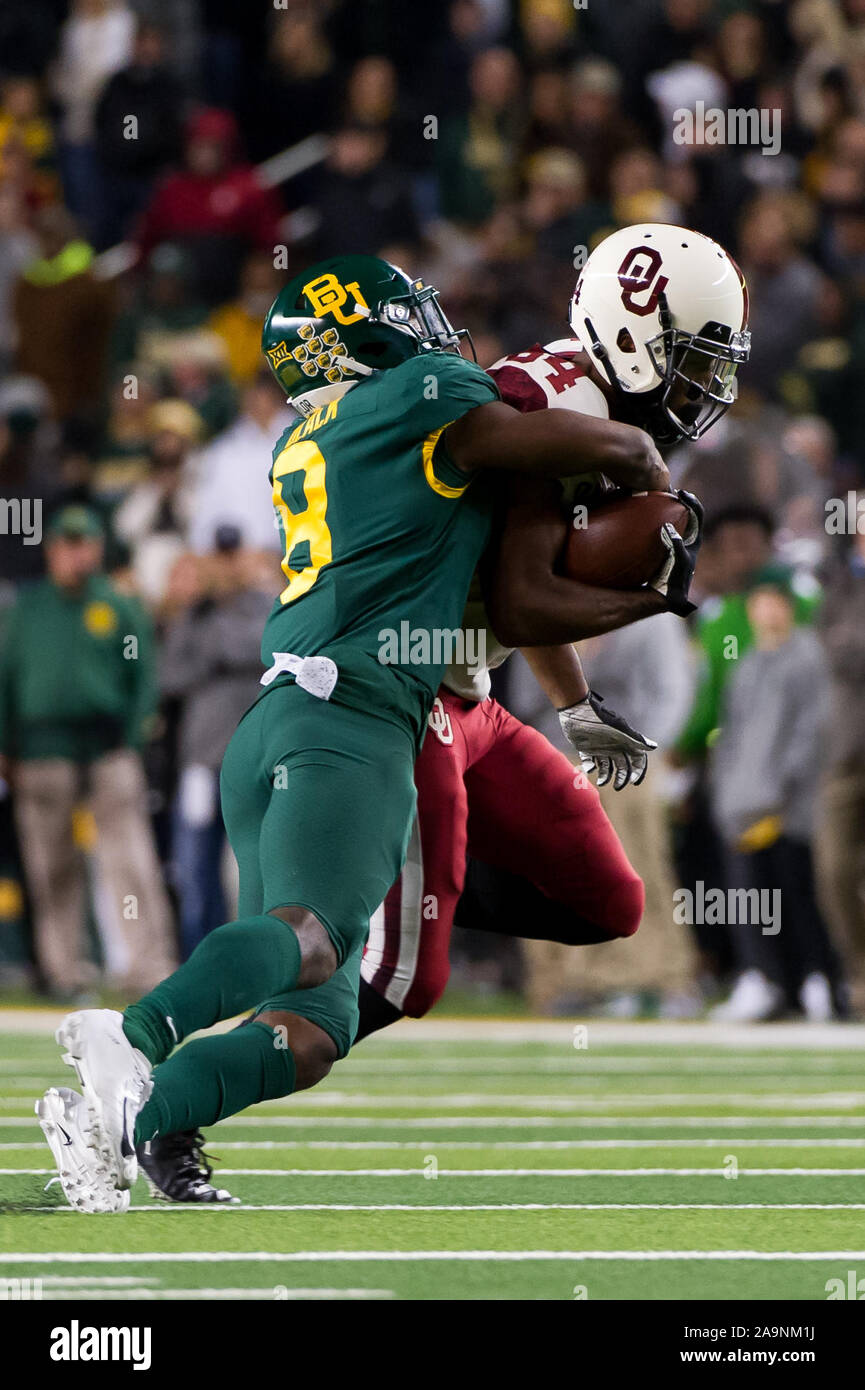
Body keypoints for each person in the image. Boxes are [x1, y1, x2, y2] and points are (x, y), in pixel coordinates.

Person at [37, 251, 679, 1213]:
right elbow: (551, 451)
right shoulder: (425, 392)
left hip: (283, 718)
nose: (430, 323)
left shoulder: (312, 434)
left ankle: (128, 1121)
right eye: (406, 310)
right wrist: (638, 463)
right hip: (355, 714)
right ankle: (134, 1032)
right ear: (370, 332)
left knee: (317, 1023)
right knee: (314, 936)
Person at [0, 505, 176, 998]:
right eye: (66, 544)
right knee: (52, 865)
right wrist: (4, 744)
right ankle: (66, 969)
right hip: (41, 748)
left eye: (85, 544)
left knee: (131, 861)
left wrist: (136, 733)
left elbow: (142, 674)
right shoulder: (27, 610)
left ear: (97, 549)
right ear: (52, 549)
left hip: (108, 748)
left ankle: (147, 966)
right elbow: (6, 678)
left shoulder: (118, 605)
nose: (76, 555)